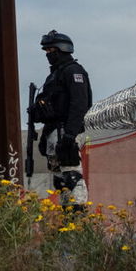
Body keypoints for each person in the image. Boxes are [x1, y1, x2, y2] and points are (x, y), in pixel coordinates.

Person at [29, 30, 92, 211]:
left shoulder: (73, 71)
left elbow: (79, 104)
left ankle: (78, 219)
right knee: (60, 179)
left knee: (72, 175)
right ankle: (68, 218)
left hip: (66, 130)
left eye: (51, 50)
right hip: (53, 131)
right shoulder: (54, 76)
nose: (48, 55)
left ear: (62, 49)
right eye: (46, 51)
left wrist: (70, 135)